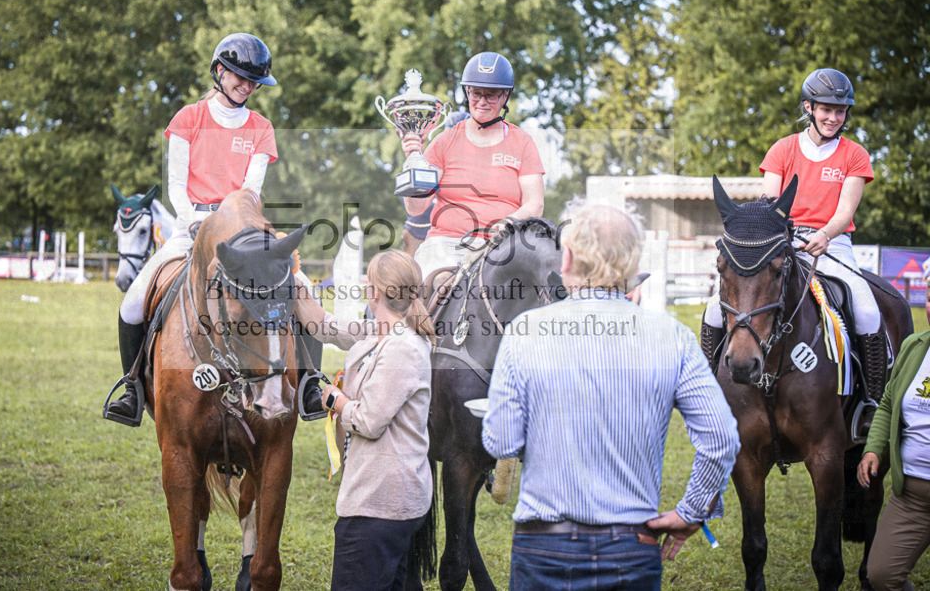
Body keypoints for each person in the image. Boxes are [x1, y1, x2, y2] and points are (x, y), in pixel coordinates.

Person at [482, 201, 740, 590]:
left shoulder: (524, 331)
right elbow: (721, 438)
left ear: (567, 258)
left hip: (543, 547)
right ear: (632, 263)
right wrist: (692, 511)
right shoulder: (673, 337)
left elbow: (501, 442)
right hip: (631, 547)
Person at [105, 32, 323, 425]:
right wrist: (192, 220)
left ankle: (309, 383)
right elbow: (175, 183)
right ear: (219, 71)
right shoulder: (188, 118)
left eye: (254, 81)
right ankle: (132, 388)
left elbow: (251, 190)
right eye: (241, 77)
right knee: (133, 302)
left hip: (241, 229)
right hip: (189, 225)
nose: (248, 87)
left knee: (303, 288)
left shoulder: (261, 127)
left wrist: (230, 224)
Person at [701, 69, 885, 405]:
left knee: (867, 309)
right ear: (809, 107)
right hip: (781, 243)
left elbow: (845, 211)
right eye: (826, 109)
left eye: (840, 111)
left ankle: (871, 403)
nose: (833, 118)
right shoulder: (783, 149)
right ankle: (707, 390)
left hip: (832, 244)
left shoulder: (855, 154)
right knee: (715, 309)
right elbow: (771, 206)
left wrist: (825, 234)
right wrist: (782, 240)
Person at [294, 250, 434, 590]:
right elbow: (324, 326)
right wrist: (294, 277)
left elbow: (369, 422)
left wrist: (335, 399)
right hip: (390, 501)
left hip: (381, 505)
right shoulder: (381, 331)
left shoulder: (401, 347)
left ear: (374, 293)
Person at [399, 52, 545, 277]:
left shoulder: (523, 142)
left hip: (503, 247)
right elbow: (416, 208)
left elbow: (535, 203)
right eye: (476, 93)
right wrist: (412, 162)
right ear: (467, 92)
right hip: (446, 245)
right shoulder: (444, 142)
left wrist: (509, 222)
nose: (482, 102)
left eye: (491, 95)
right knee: (433, 282)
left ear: (505, 95)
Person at [857, 259, 930, 591]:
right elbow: (888, 402)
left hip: (833, 247)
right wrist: (873, 449)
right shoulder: (915, 347)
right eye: (929, 297)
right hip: (912, 495)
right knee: (881, 577)